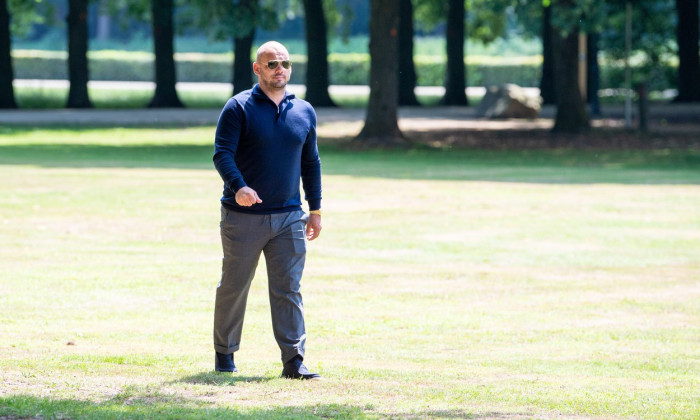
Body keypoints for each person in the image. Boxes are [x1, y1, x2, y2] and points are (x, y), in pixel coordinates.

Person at [212, 41, 323, 380]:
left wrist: (315, 209)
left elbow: (311, 162)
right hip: (243, 218)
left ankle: (294, 360)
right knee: (234, 285)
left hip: (290, 216)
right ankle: (225, 354)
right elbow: (222, 154)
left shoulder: (304, 111)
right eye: (272, 63)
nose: (280, 69)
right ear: (257, 69)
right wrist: (239, 186)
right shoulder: (238, 107)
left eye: (285, 63)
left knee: (288, 288)